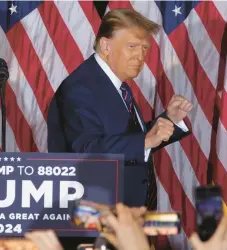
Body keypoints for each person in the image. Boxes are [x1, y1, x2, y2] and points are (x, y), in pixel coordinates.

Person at [46, 8, 192, 249]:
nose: (140, 56)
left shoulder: (113, 84)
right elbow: (87, 149)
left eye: (145, 48)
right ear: (105, 46)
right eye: (132, 47)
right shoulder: (81, 87)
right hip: (95, 228)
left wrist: (169, 121)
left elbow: (127, 143)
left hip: (122, 224)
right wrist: (146, 140)